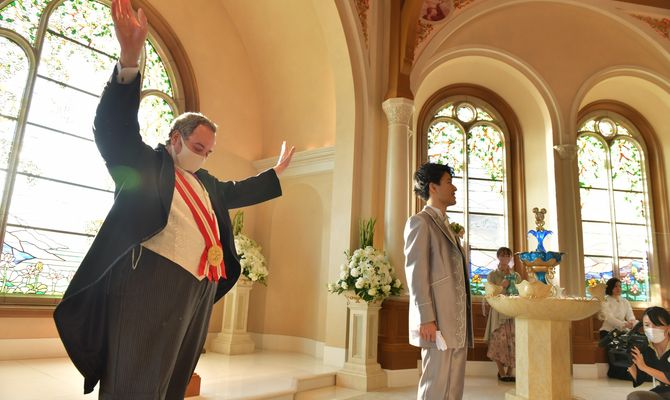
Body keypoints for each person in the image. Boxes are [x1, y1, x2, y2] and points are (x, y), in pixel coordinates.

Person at [53, 0, 295, 398]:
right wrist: (129, 60)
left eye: (208, 152)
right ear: (175, 138)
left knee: (172, 379)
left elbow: (238, 191)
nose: (203, 156)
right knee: (136, 377)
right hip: (150, 279)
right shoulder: (147, 164)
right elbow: (113, 130)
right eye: (198, 147)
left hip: (200, 288)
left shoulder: (206, 183)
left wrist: (276, 173)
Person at [404, 162, 473, 400]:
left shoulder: (449, 227)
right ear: (433, 187)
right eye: (449, 182)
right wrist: (426, 318)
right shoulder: (420, 222)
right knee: (435, 385)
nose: (454, 188)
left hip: (457, 321)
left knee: (454, 387)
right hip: (437, 321)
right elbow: (416, 274)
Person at [482, 247, 520, 382]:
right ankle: (501, 372)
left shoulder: (516, 276)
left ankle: (510, 372)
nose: (505, 258)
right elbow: (489, 294)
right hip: (498, 312)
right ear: (498, 257)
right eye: (502, 255)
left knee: (514, 341)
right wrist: (502, 286)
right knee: (498, 341)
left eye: (508, 256)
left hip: (512, 311)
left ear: (510, 258)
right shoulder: (492, 275)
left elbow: (521, 292)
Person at [627, 306, 670, 400]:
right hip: (664, 391)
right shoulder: (646, 348)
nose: (651, 329)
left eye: (656, 325)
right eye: (647, 325)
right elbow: (640, 379)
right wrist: (629, 362)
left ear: (668, 328)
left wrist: (644, 367)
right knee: (635, 397)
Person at [599, 277, 638, 380]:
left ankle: (631, 371)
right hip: (608, 332)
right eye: (615, 286)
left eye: (620, 286)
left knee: (633, 344)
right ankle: (615, 373)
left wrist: (632, 322)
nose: (618, 288)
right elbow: (609, 318)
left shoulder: (625, 301)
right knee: (616, 349)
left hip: (623, 331)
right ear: (610, 287)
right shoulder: (605, 300)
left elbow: (630, 316)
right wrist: (624, 324)